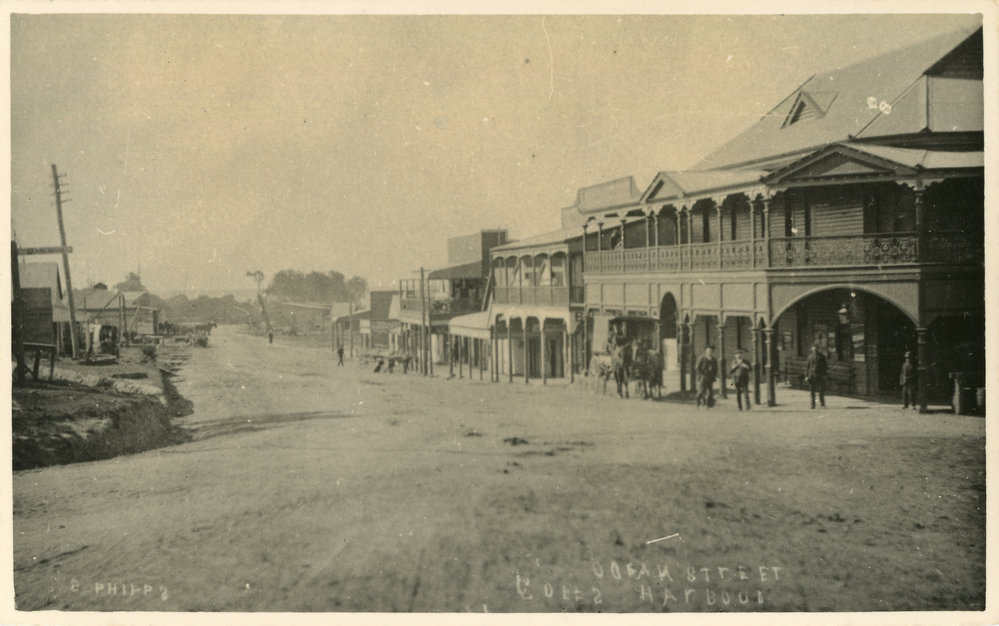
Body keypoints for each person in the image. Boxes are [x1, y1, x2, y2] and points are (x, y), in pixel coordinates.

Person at [805, 344, 828, 409]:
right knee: (812, 391)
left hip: (819, 376)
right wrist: (806, 375)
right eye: (813, 349)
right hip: (811, 376)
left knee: (821, 391)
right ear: (812, 349)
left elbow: (825, 367)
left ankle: (822, 404)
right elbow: (807, 367)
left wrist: (824, 375)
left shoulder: (822, 357)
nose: (815, 350)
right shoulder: (810, 356)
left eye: (816, 349)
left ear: (818, 349)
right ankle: (813, 405)